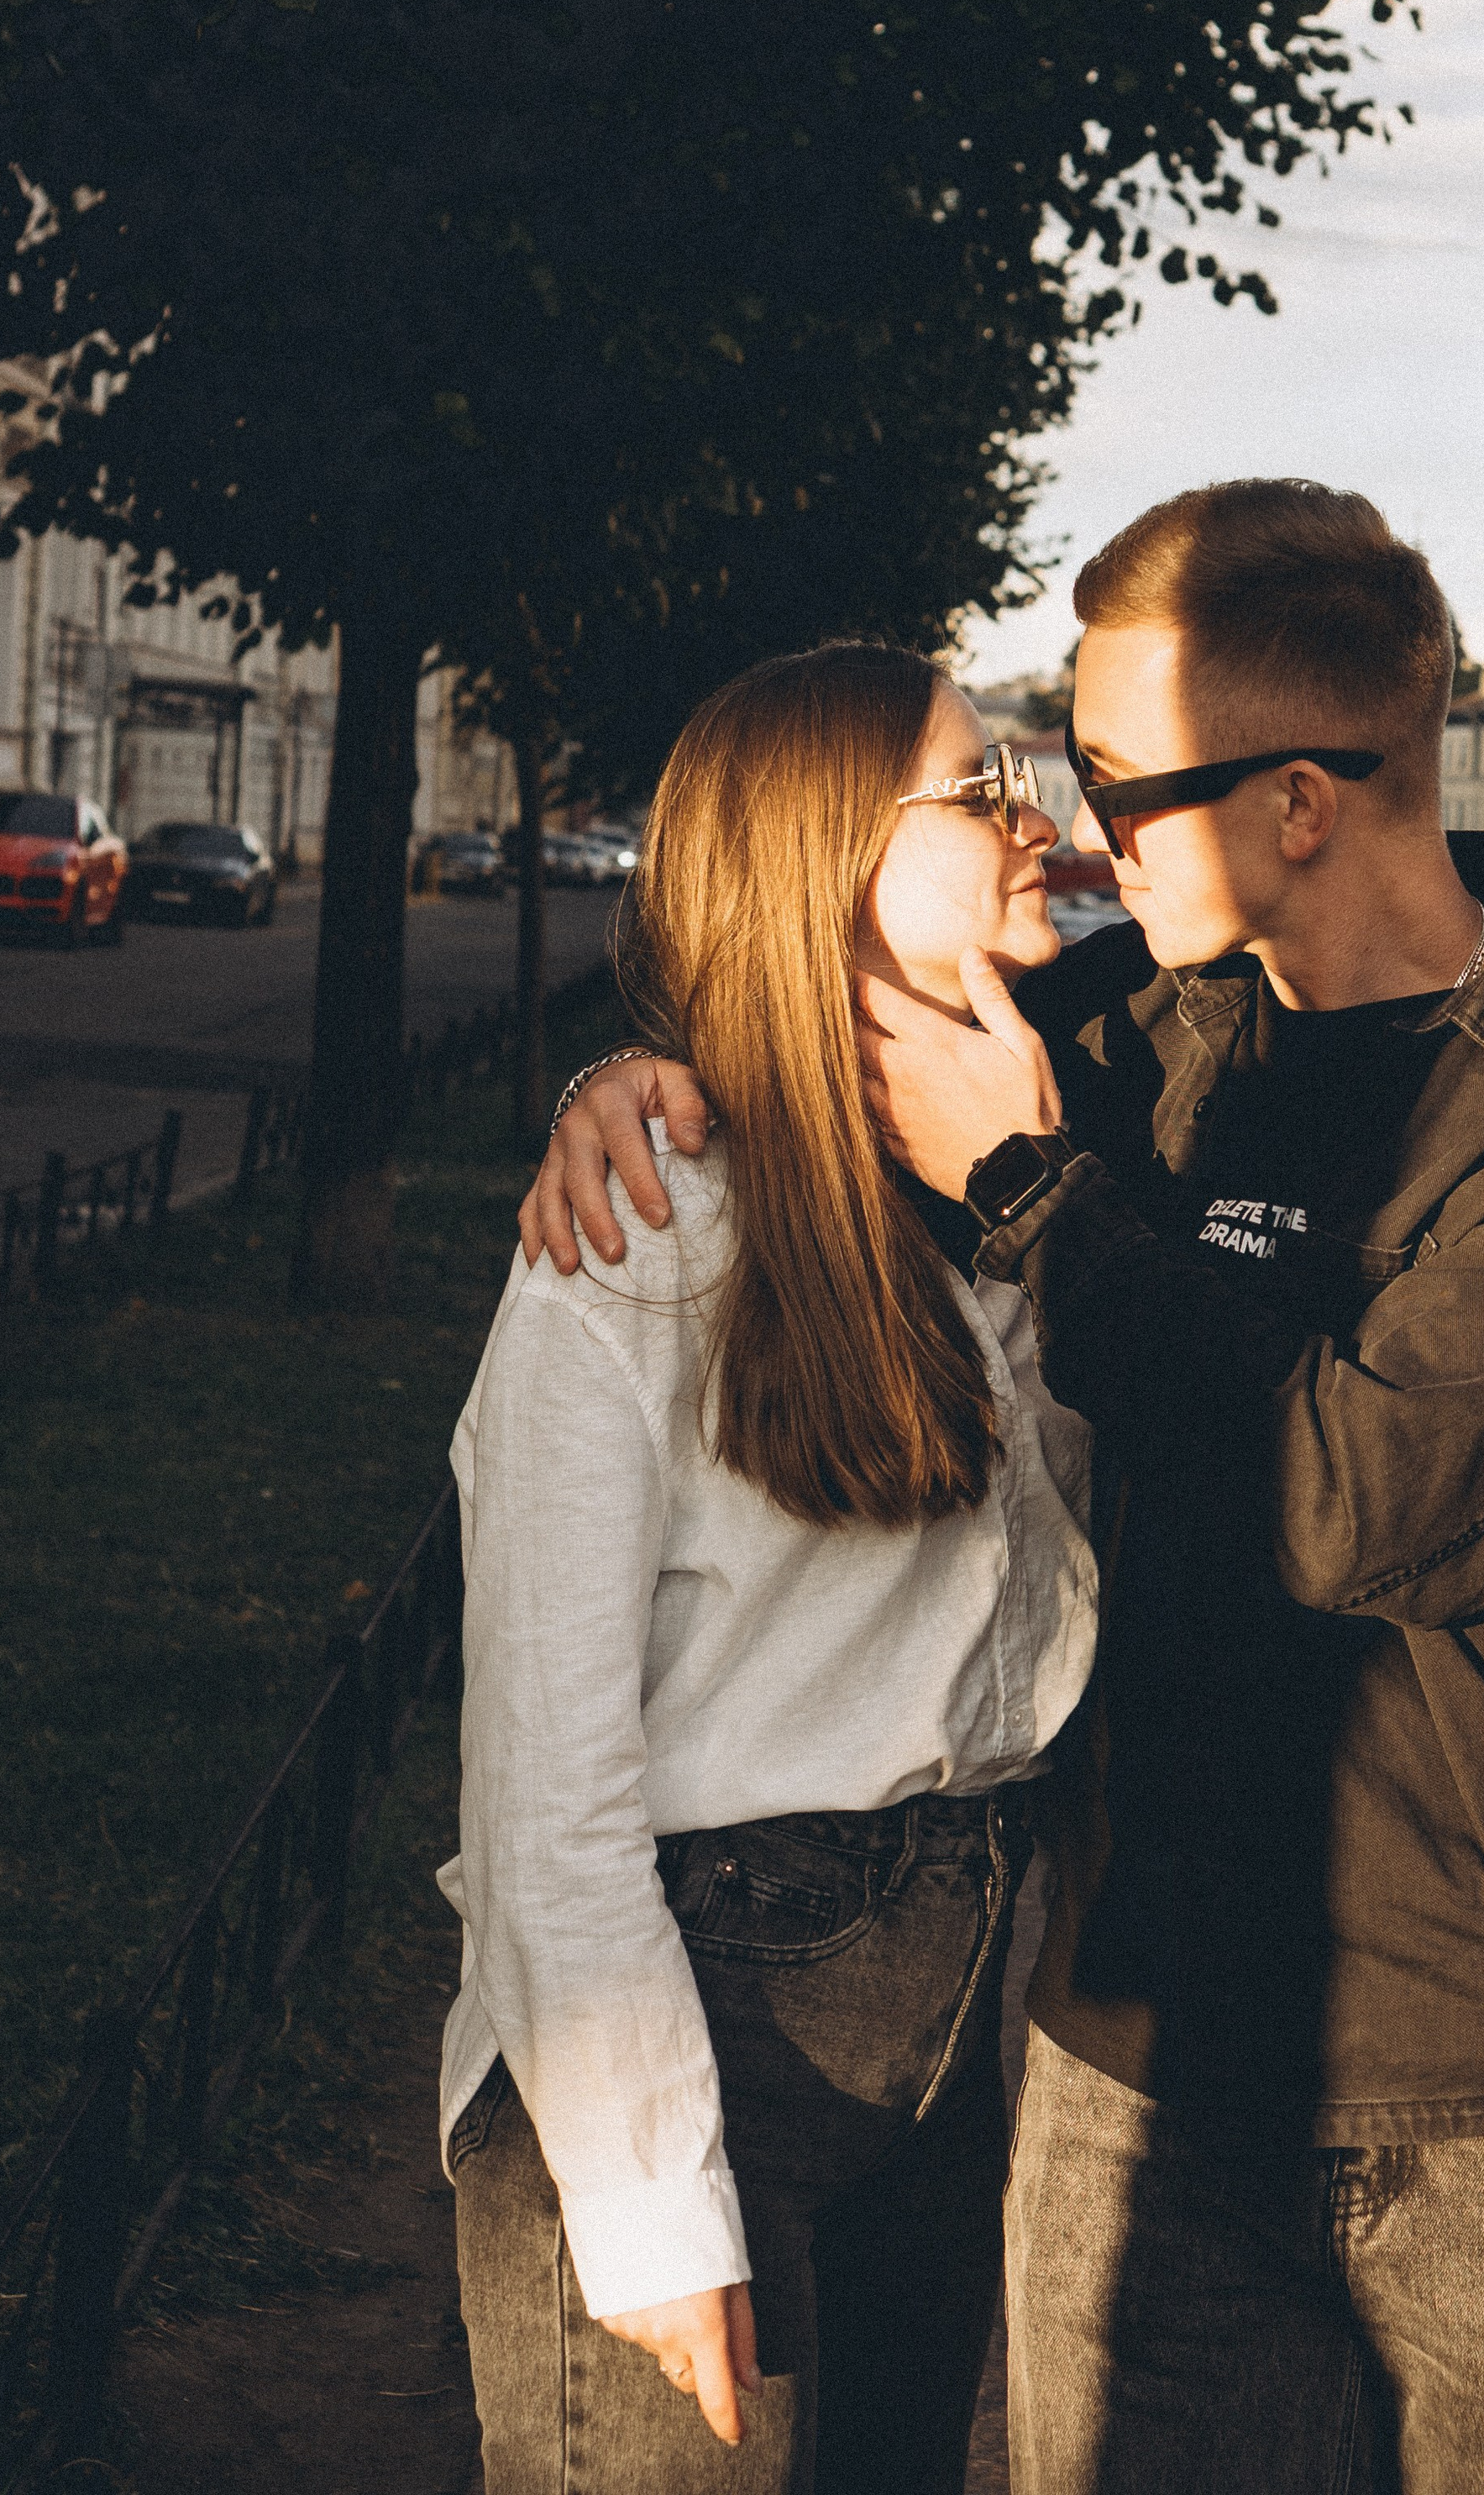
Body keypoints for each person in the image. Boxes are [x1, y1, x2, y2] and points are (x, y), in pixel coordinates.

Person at [527, 481, 1484, 2495]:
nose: (1072, 837)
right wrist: (640, 1081)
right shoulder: (1131, 1034)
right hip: (1143, 2055)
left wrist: (1035, 1195)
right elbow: (816, 1004)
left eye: (1116, 789)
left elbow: (1347, 1501)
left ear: (1299, 800)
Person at [444, 642, 1097, 2493]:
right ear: (821, 861)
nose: (1030, 820)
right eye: (975, 797)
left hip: (955, 2014)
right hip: (690, 2007)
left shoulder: (1027, 1161)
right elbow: (545, 1785)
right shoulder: (646, 1231)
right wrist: (648, 2205)